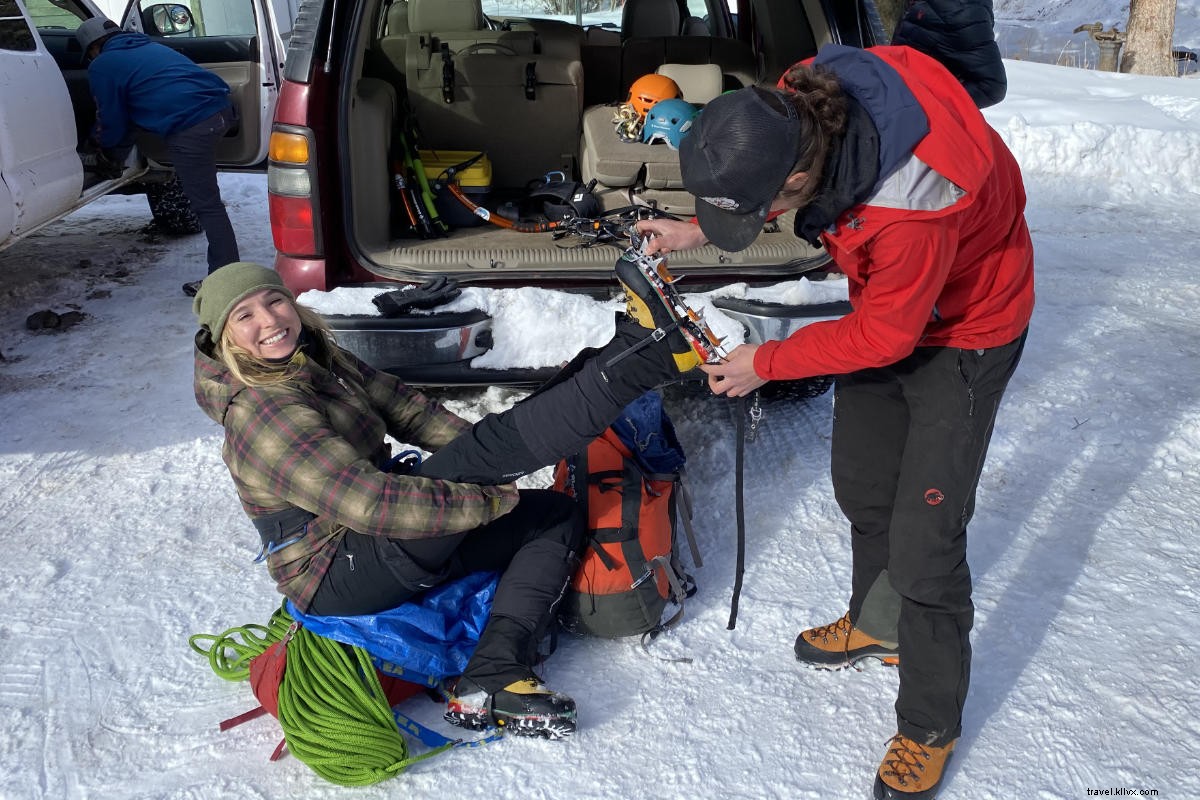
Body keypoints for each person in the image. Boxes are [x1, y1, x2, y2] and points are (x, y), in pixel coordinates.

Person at [636, 43, 1034, 800]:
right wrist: (700, 225)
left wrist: (766, 362)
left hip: (968, 328)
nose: (772, 218)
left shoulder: (911, 203)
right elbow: (876, 313)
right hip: (896, 299)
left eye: (767, 207)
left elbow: (886, 337)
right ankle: (876, 623)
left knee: (926, 544)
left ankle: (928, 725)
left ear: (798, 176)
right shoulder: (800, 97)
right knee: (863, 482)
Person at [191, 259, 703, 739]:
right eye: (245, 315)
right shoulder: (262, 411)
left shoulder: (316, 359)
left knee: (552, 516)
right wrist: (486, 498)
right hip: (333, 567)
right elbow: (371, 504)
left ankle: (492, 680)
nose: (270, 320)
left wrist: (495, 453)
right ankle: (648, 356)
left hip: (376, 532)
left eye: (274, 301)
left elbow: (410, 410)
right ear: (225, 338)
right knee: (484, 471)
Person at [76, 17, 240, 296]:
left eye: (88, 53)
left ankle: (225, 282)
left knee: (207, 205)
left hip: (191, 125)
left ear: (93, 47)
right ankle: (227, 273)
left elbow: (112, 119)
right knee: (208, 202)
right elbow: (130, 114)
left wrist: (102, 152)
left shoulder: (103, 65)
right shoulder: (151, 47)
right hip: (221, 109)